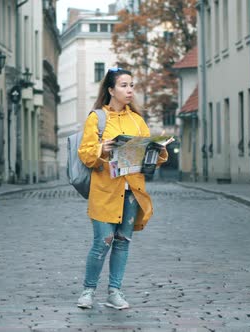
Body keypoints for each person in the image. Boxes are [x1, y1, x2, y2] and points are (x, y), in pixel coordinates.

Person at [76, 68, 170, 309]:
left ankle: (114, 292)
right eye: (124, 85)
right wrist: (102, 150)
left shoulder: (138, 121)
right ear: (110, 90)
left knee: (122, 240)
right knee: (102, 240)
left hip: (132, 191)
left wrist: (158, 150)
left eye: (131, 85)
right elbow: (86, 155)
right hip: (105, 190)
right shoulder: (97, 118)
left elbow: (151, 161)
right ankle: (88, 290)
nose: (129, 90)